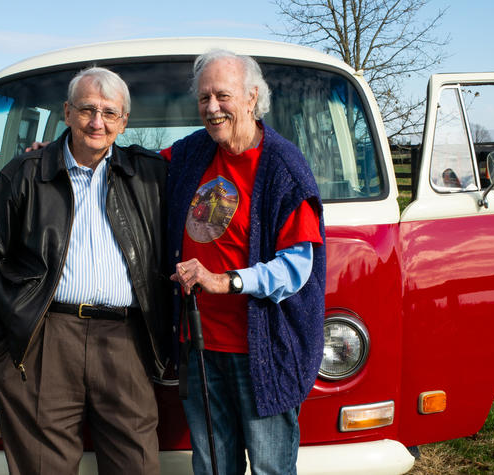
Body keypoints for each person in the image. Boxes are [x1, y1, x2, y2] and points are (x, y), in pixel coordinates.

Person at [0, 66, 168, 475]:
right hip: (44, 340)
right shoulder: (25, 174)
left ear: (124, 121)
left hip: (126, 339)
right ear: (67, 112)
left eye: (110, 113)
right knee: (43, 467)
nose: (98, 122)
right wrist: (2, 343)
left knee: (137, 465)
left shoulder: (150, 175)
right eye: (87, 109)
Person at [164, 50, 326, 474]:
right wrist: (56, 148)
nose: (212, 108)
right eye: (204, 98)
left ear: (252, 98)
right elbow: (134, 165)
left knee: (271, 467)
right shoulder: (190, 153)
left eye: (223, 96)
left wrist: (225, 282)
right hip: (199, 346)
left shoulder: (283, 167)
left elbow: (295, 268)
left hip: (261, 352)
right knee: (214, 466)